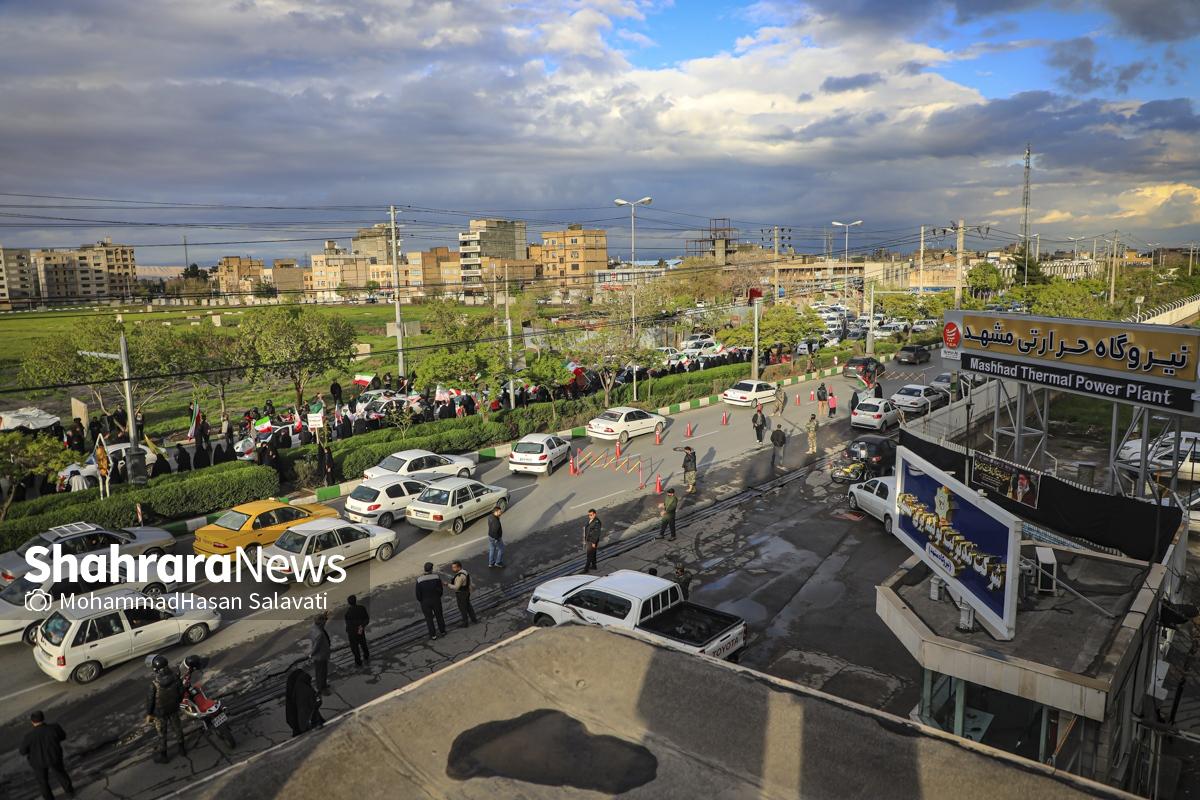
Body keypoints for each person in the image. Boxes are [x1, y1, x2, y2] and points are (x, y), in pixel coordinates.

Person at [20, 710, 74, 800]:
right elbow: (63, 736)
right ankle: (69, 792)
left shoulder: (29, 736)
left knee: (43, 782)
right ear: (43, 718)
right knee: (61, 774)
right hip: (54, 756)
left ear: (32, 722)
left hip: (37, 761)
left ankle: (49, 798)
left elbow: (22, 751)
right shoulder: (54, 727)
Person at [145, 655, 185, 764]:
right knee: (178, 729)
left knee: (162, 734)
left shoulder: (154, 684)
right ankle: (182, 749)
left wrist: (149, 714)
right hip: (173, 709)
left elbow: (150, 701)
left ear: (156, 669)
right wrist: (177, 703)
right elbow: (181, 693)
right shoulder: (176, 677)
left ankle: (164, 756)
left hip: (160, 713)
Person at [284, 668, 323, 737]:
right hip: (310, 724)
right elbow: (315, 704)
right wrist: (318, 698)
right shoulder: (304, 689)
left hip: (303, 725)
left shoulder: (295, 690)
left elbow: (291, 716)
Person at [416, 562, 447, 640]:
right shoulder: (436, 577)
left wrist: (422, 600)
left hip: (425, 602)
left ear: (424, 569)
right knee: (439, 616)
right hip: (436, 600)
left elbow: (418, 594)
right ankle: (442, 631)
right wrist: (437, 596)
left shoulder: (419, 580)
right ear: (431, 569)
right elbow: (440, 590)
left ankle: (433, 635)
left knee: (429, 619)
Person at [447, 561, 479, 627]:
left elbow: (456, 587)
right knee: (468, 606)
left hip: (461, 594)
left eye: (454, 567)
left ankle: (465, 623)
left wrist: (447, 584)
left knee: (462, 608)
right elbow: (470, 581)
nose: (452, 569)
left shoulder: (459, 576)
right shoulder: (465, 572)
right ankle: (474, 619)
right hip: (467, 592)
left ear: (459, 567)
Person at [307, 611, 331, 695]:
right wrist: (311, 655)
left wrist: (324, 616)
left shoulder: (313, 626)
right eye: (324, 622)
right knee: (322, 672)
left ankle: (321, 685)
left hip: (318, 656)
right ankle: (322, 688)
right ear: (321, 623)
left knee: (318, 672)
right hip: (321, 655)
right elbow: (316, 647)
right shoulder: (319, 634)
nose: (325, 623)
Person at [344, 595, 370, 667]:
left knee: (355, 647)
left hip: (352, 632)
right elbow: (366, 619)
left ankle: (358, 661)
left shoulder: (348, 613)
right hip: (360, 629)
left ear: (349, 603)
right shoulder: (362, 608)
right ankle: (366, 655)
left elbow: (349, 624)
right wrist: (362, 626)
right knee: (363, 643)